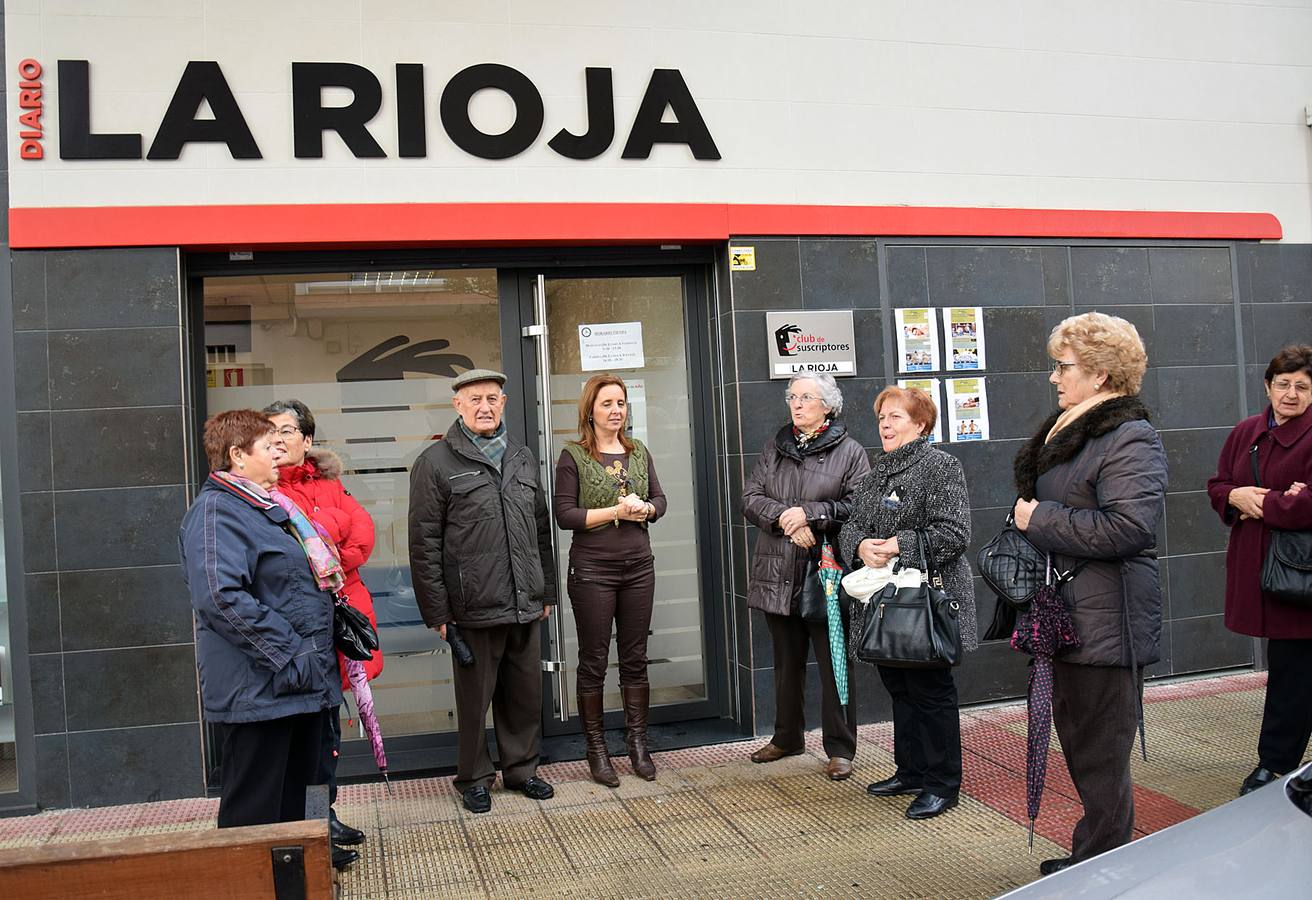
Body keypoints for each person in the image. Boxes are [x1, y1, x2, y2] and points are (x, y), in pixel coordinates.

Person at [1011, 312, 1167, 876]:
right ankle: (1096, 857)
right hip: (1071, 614)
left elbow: (1130, 529)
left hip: (1107, 619)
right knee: (1082, 744)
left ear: (1100, 375)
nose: (1054, 377)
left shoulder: (1129, 436)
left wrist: (1039, 518)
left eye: (1063, 366)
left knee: (1100, 752)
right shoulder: (1075, 430)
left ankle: (1104, 865)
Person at [179, 410, 341, 833]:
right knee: (255, 813)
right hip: (262, 690)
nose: (279, 452)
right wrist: (290, 653)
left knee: (303, 805)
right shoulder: (217, 511)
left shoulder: (269, 508)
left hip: (299, 684)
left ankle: (300, 879)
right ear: (236, 455)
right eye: (268, 446)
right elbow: (219, 597)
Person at [408, 369, 557, 814]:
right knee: (475, 700)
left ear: (504, 402)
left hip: (524, 601)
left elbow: (541, 530)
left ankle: (522, 769)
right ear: (458, 406)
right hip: (471, 606)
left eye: (492, 398)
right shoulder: (435, 463)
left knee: (524, 694)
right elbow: (424, 543)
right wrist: (437, 612)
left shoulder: (522, 456)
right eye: (474, 399)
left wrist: (546, 590)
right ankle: (473, 776)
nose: (484, 407)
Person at [838, 386, 977, 820]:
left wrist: (900, 544)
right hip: (884, 602)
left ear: (920, 425)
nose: (884, 424)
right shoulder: (876, 472)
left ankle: (942, 784)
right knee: (899, 687)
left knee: (931, 693)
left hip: (925, 604)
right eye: (882, 416)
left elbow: (954, 534)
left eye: (895, 417)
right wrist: (860, 545)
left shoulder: (940, 466)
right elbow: (851, 525)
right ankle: (911, 771)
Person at [265, 399, 381, 866]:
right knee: (308, 732)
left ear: (307, 440)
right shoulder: (263, 488)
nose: (279, 439)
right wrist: (328, 538)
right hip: (299, 626)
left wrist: (331, 551)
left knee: (328, 725)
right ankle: (312, 828)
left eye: (288, 430)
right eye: (270, 430)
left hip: (339, 612)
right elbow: (297, 551)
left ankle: (323, 815)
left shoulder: (329, 482)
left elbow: (363, 531)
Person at [742, 374, 870, 781]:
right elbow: (751, 497)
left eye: (806, 397)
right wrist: (786, 518)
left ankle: (840, 748)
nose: (796, 404)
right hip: (777, 569)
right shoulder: (775, 446)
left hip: (824, 573)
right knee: (785, 662)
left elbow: (860, 505)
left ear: (828, 406)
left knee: (835, 662)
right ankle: (787, 737)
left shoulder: (849, 452)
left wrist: (813, 515)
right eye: (792, 397)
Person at [1207, 344, 1312, 796]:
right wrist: (1234, 497)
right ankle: (1280, 761)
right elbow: (1218, 483)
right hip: (1263, 570)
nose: (1291, 394)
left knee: (1294, 671)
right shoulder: (1246, 431)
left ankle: (1276, 763)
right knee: (1290, 668)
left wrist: (1264, 501)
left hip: (1302, 575)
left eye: (1303, 387)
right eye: (1283, 384)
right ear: (1268, 386)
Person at [553, 374, 668, 786]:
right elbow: (565, 515)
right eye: (607, 404)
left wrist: (646, 510)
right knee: (595, 661)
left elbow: (660, 501)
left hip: (638, 567)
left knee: (635, 659)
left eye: (621, 403)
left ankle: (638, 745)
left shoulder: (638, 452)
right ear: (590, 410)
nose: (616, 410)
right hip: (592, 572)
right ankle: (597, 751)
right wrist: (617, 512)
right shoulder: (573, 456)